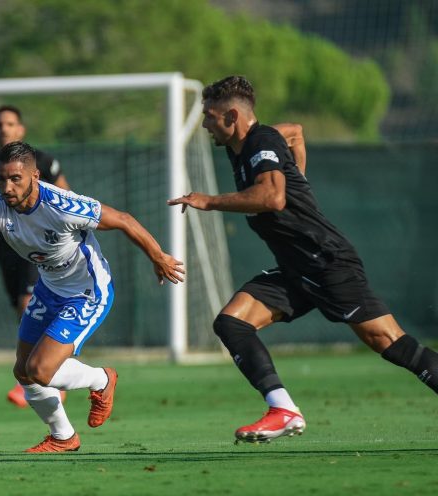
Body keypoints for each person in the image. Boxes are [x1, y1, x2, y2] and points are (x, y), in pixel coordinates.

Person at [168, 75, 438, 444]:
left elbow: (272, 199)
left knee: (389, 342)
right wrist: (298, 176)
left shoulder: (260, 141)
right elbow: (294, 132)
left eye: (210, 116)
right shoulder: (246, 145)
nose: (204, 124)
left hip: (326, 262)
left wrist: (209, 200)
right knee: (231, 323)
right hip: (296, 269)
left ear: (232, 116)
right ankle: (283, 409)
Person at [0, 141, 184, 452]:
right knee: (22, 370)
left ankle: (101, 380)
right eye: (1, 178)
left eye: (15, 179)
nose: (6, 187)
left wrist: (158, 257)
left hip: (87, 292)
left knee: (40, 370)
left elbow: (124, 220)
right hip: (48, 289)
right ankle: (63, 436)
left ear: (35, 175)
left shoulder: (63, 205)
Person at [0, 105, 70, 408]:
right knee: (22, 310)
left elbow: (66, 196)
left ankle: (44, 374)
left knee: (28, 302)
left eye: (10, 123)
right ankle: (41, 367)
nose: (4, 129)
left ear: (21, 129)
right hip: (5, 244)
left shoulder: (43, 161)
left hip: (39, 243)